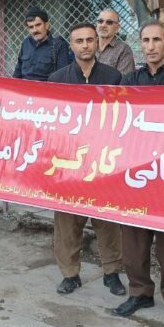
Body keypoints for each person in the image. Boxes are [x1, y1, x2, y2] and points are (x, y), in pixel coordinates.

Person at [114, 21, 164, 321]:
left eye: (156, 40)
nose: (150, 46)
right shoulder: (129, 79)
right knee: (133, 241)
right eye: (145, 40)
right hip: (135, 169)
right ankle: (139, 293)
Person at [48, 23, 126, 297]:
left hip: (103, 162)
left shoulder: (113, 77)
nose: (85, 45)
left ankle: (112, 273)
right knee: (67, 223)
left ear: (97, 43)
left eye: (89, 40)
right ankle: (70, 274)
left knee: (107, 221)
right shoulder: (57, 79)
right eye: (79, 41)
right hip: (69, 163)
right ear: (71, 46)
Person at [12, 7, 72, 81]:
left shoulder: (59, 45)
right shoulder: (26, 43)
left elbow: (63, 77)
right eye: (31, 27)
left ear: (46, 25)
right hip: (23, 89)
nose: (35, 30)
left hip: (45, 90)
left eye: (38, 25)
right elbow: (18, 71)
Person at [94, 8, 136, 75]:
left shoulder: (123, 50)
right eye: (100, 21)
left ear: (117, 28)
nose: (103, 25)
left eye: (109, 22)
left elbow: (124, 81)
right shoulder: (88, 46)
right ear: (96, 25)